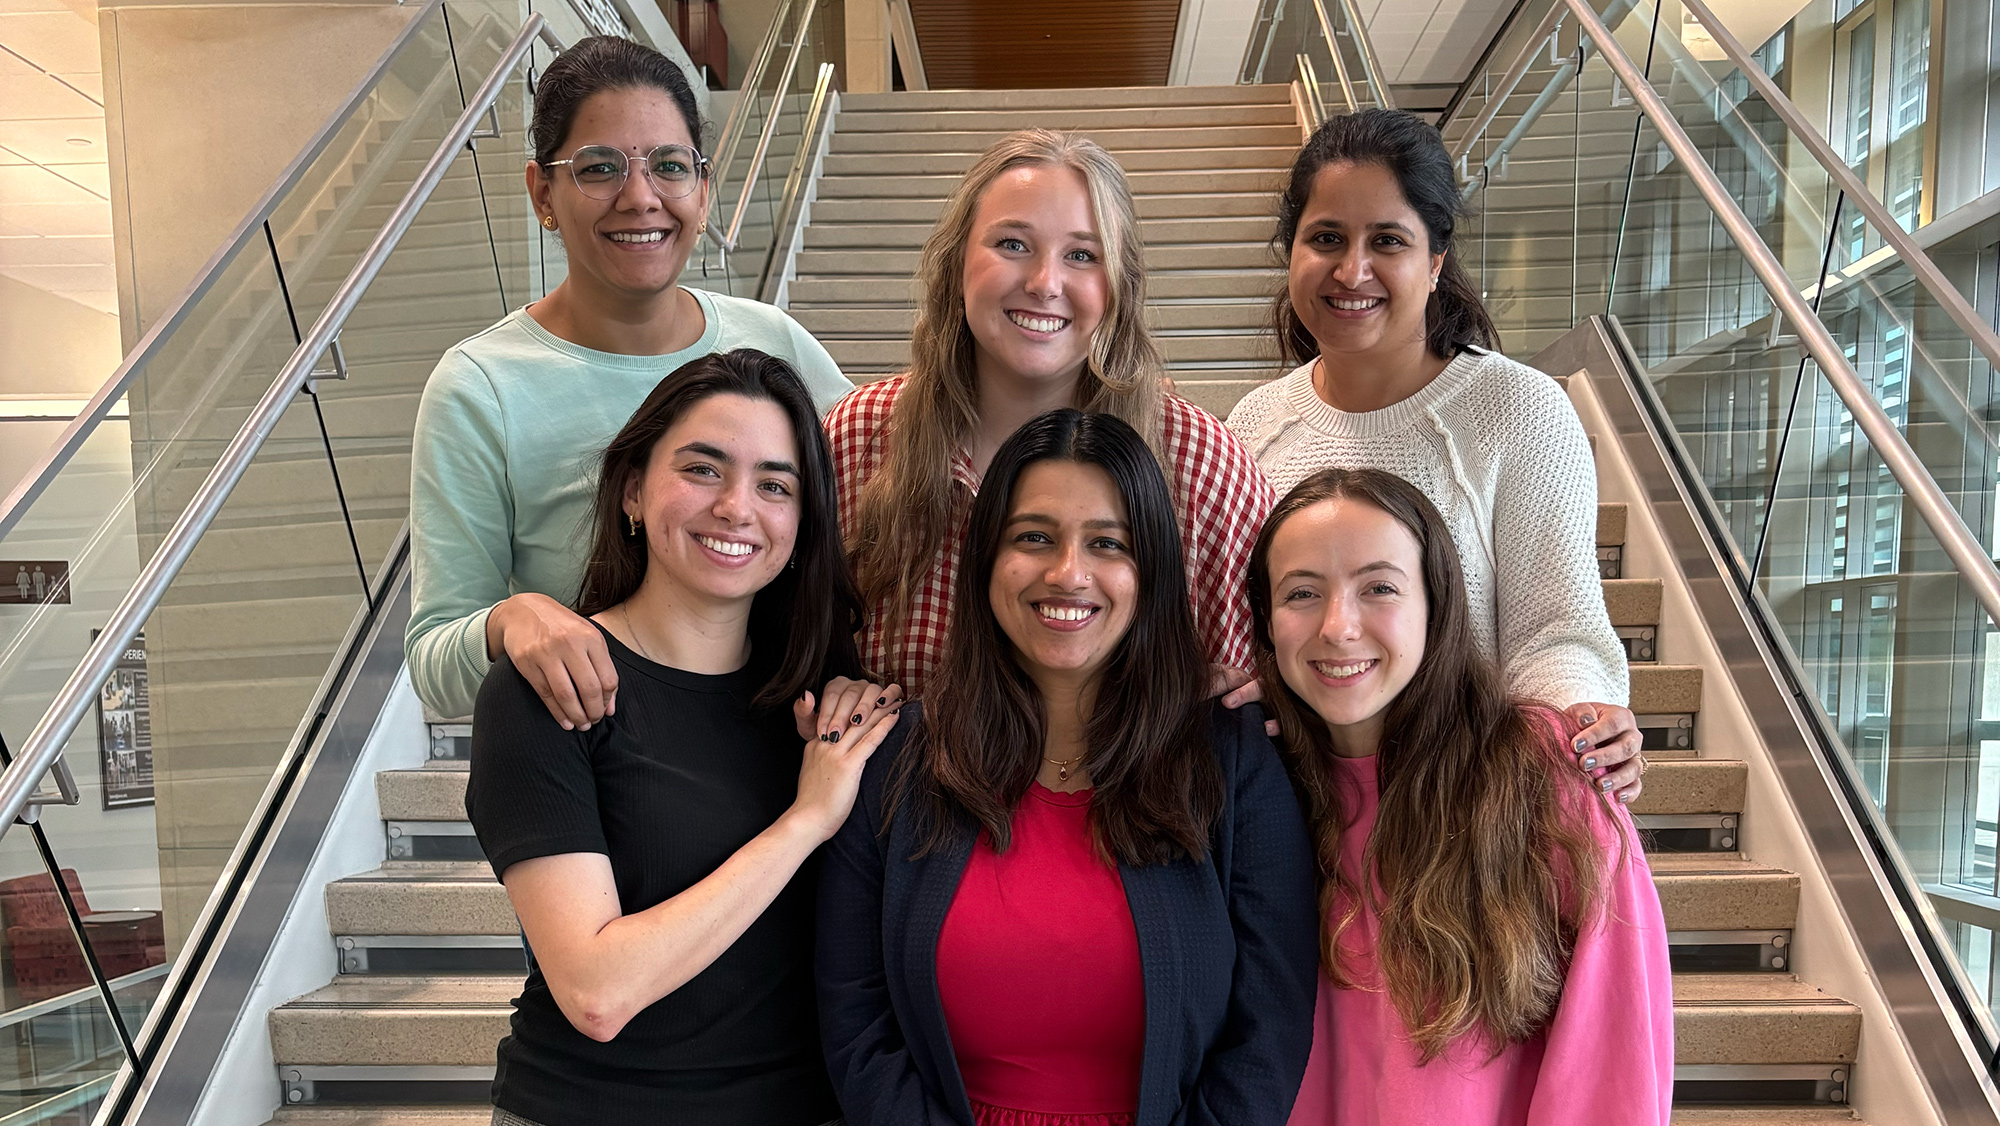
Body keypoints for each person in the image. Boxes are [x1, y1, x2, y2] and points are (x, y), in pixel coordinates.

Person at [818, 409, 1318, 1126]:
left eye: (1107, 543)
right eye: (1033, 537)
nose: (1067, 573)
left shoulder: (1232, 759)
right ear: (986, 558)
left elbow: (1268, 1031)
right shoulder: (893, 761)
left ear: (1151, 572)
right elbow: (855, 1019)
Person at [465, 350, 895, 1126]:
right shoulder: (552, 692)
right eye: (703, 469)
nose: (737, 507)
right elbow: (597, 991)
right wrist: (805, 822)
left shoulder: (813, 703)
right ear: (633, 489)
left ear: (801, 525)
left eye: (774, 485)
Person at [409, 35, 852, 725]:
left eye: (670, 166)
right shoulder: (482, 388)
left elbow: (871, 524)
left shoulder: (774, 343)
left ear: (703, 191)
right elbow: (436, 661)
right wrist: (513, 621)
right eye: (599, 168)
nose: (640, 198)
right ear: (542, 193)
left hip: (786, 753)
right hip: (606, 777)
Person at [1226, 109, 1644, 801]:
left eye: (1387, 240)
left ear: (1435, 260)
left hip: (1466, 822)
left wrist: (1584, 714)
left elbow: (1556, 631)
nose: (1352, 270)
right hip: (1298, 823)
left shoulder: (1521, 410)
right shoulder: (1254, 424)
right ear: (1292, 251)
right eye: (1326, 237)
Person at [1247, 467, 1672, 1125]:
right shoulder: (1253, 788)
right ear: (1267, 622)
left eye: (1379, 587)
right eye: (1302, 593)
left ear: (1436, 604)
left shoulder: (1539, 772)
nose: (1338, 627)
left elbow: (1613, 1053)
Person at [826, 129, 1274, 698]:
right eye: (1012, 244)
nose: (1044, 283)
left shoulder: (1203, 465)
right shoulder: (859, 436)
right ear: (956, 260)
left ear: (1118, 287)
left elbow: (1258, 688)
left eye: (1083, 256)